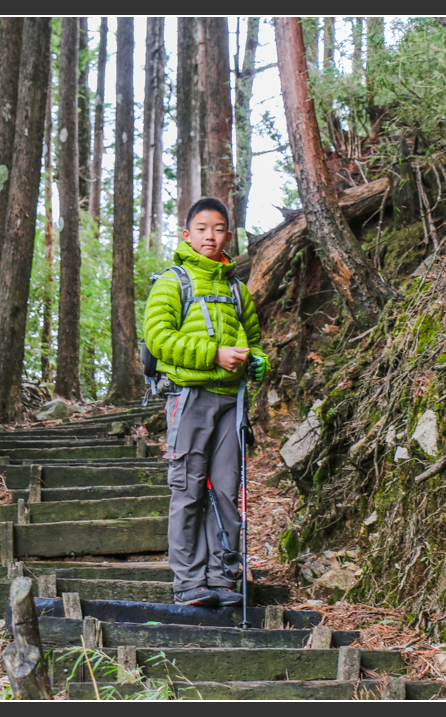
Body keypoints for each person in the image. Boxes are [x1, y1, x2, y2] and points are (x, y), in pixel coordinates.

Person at [142, 197, 270, 608]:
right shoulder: (172, 282)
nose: (209, 236)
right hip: (189, 398)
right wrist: (213, 353)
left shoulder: (236, 289)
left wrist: (258, 362)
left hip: (231, 403)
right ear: (186, 234)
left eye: (217, 229)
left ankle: (222, 577)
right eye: (201, 229)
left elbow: (254, 341)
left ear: (227, 235)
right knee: (188, 488)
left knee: (226, 490)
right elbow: (158, 340)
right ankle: (188, 583)